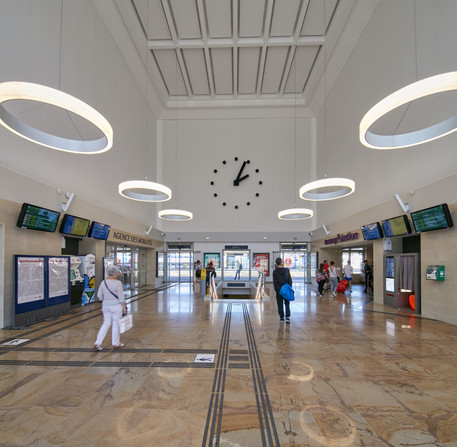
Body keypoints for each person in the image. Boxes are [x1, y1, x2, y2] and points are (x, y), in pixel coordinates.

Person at [94, 264, 127, 351]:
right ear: (115, 273)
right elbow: (121, 297)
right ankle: (115, 343)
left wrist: (106, 300)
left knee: (106, 323)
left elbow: (99, 296)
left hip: (105, 306)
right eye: (118, 272)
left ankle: (98, 342)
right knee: (116, 324)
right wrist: (124, 307)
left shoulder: (103, 282)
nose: (118, 274)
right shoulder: (118, 283)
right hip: (116, 306)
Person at [273, 257, 292, 323]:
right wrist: (289, 288)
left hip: (279, 289)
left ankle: (281, 317)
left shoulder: (275, 271)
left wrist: (276, 289)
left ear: (276, 263)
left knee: (280, 303)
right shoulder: (287, 270)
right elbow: (290, 280)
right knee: (287, 303)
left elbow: (274, 282)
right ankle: (287, 317)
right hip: (286, 288)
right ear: (281, 262)